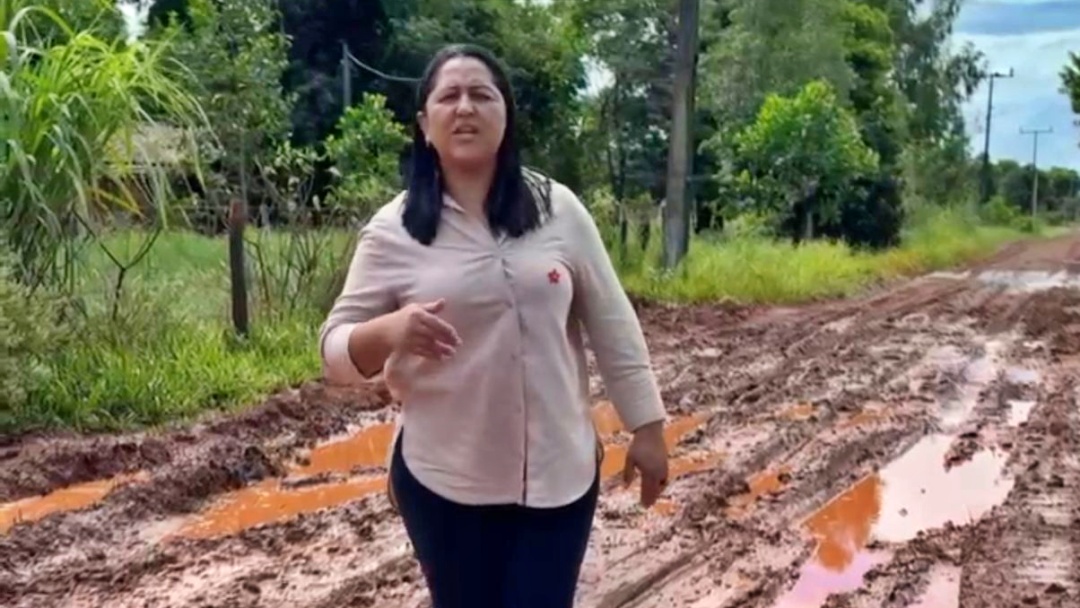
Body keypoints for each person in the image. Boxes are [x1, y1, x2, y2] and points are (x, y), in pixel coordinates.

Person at [319, 43, 669, 608]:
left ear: (505, 116)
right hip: (444, 485)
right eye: (448, 96)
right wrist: (389, 331)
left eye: (482, 95)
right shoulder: (394, 231)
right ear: (423, 124)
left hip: (561, 477)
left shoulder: (560, 210)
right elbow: (334, 351)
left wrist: (648, 429)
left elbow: (612, 322)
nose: (465, 108)